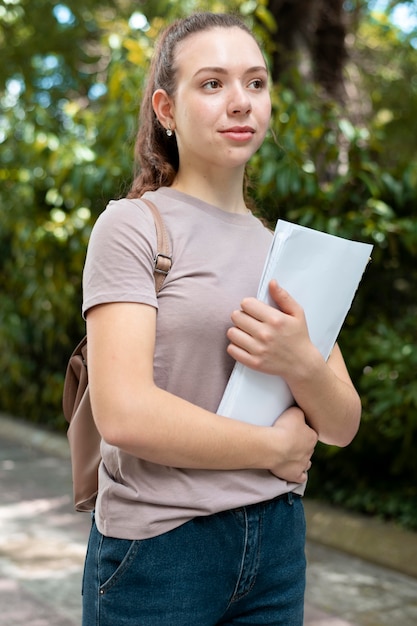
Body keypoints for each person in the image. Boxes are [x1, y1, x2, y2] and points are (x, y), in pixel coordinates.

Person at [81, 11, 361, 626]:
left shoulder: (286, 252)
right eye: (212, 84)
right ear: (166, 109)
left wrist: (300, 363)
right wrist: (273, 448)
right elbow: (124, 412)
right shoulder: (132, 227)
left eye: (255, 83)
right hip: (160, 551)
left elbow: (341, 422)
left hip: (277, 548)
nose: (240, 102)